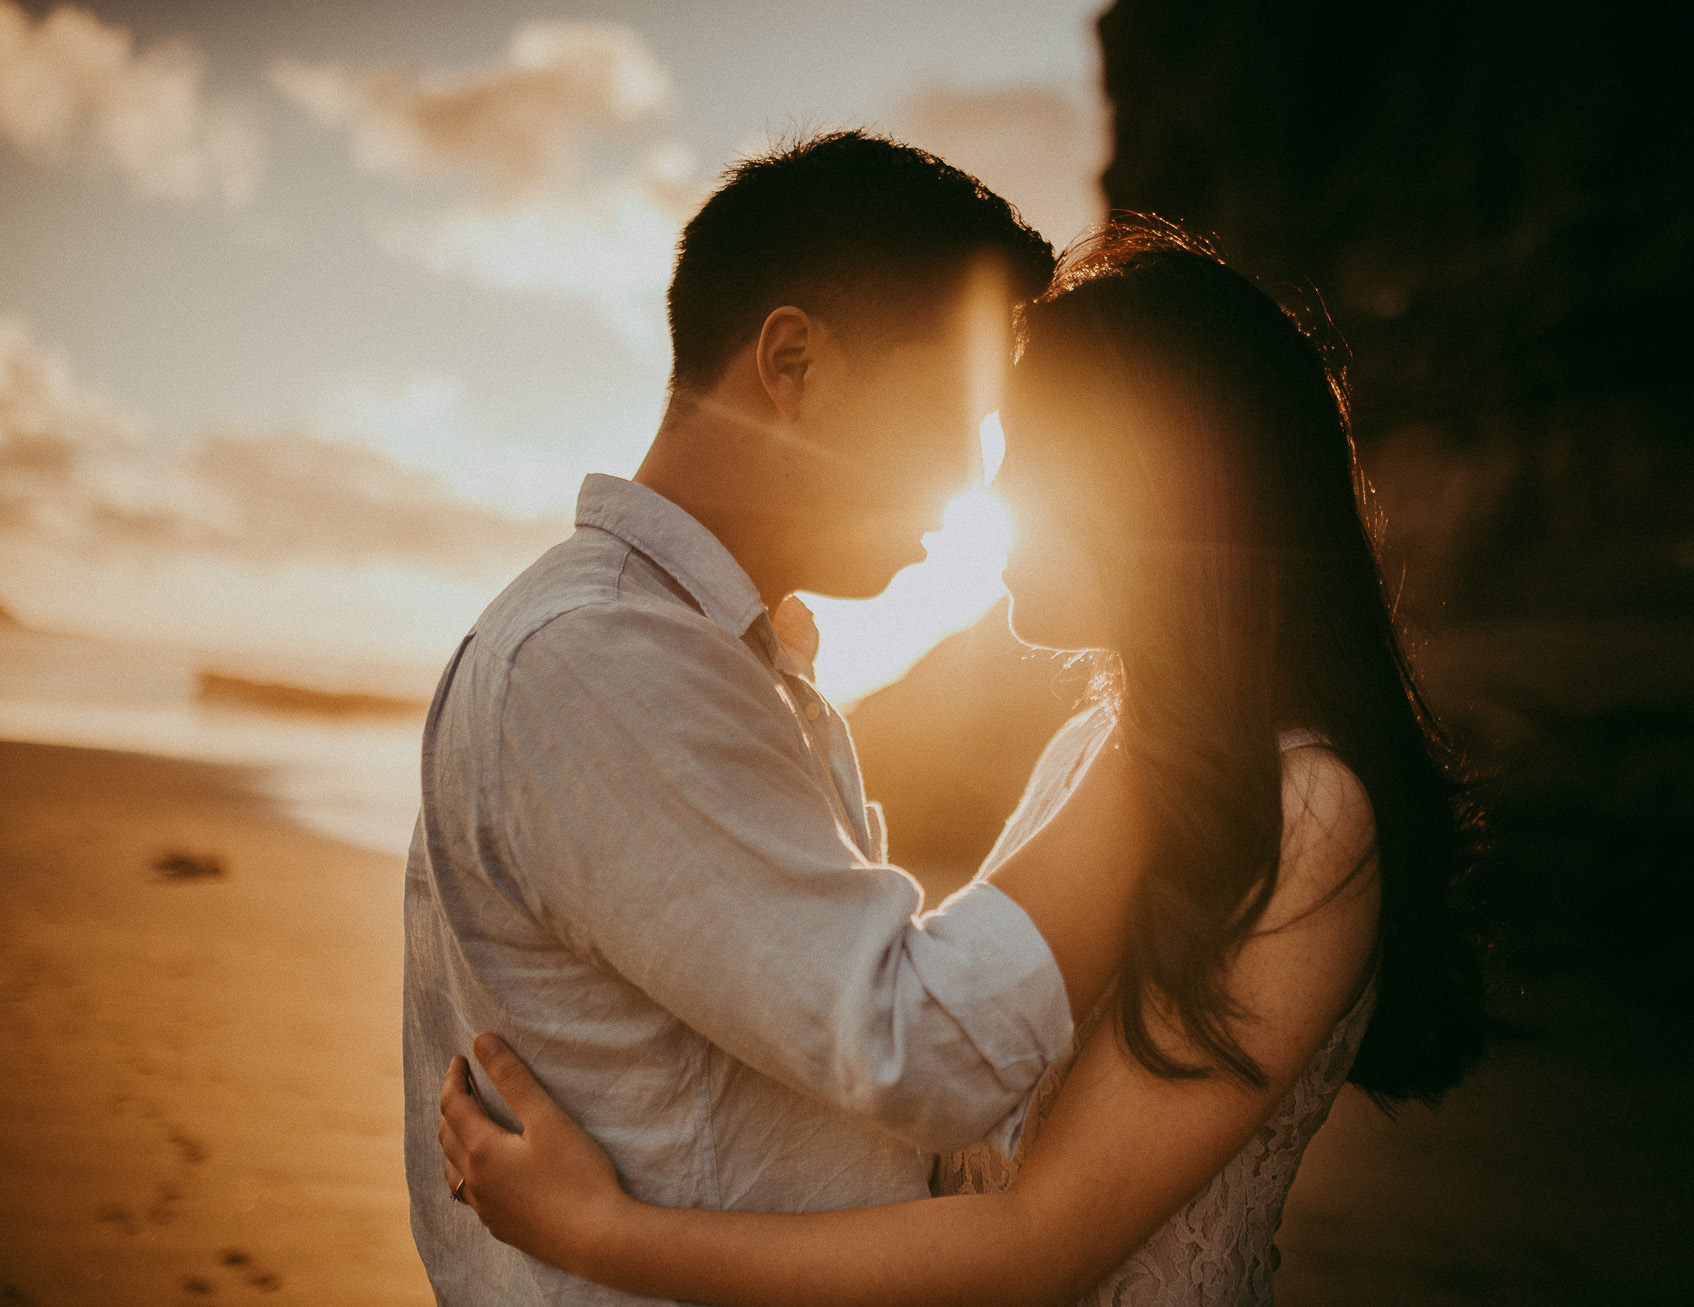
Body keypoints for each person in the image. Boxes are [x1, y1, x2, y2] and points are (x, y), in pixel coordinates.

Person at [436, 224, 1490, 1305]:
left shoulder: (1306, 804)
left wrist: (605, 1232)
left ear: (1154, 486)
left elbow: (1041, 1241)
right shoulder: (1106, 750)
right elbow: (960, 1080)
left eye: (1029, 458)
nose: (986, 508)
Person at [403, 133, 1166, 1306]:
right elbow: (927, 1045)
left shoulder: (736, 661)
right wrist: (1178, 708)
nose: (969, 482)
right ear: (793, 361)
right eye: (953, 416)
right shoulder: (602, 658)